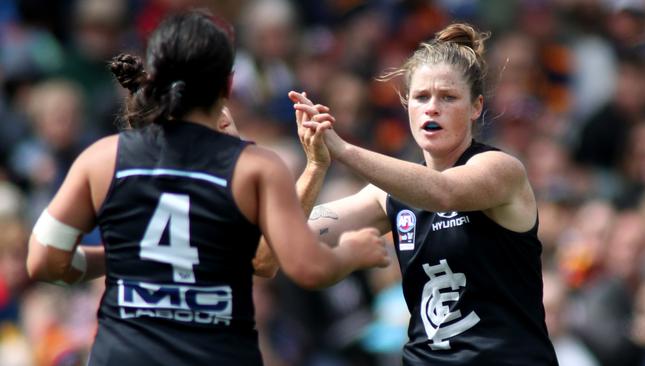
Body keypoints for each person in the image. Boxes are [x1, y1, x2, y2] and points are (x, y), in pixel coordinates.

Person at [25, 10, 390, 366]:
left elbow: (44, 261)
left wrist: (133, 257)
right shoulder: (256, 167)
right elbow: (306, 267)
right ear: (228, 84)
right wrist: (352, 252)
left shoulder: (102, 159)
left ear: (152, 78)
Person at [281, 22, 559, 365]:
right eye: (421, 97)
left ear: (476, 107)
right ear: (406, 104)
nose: (432, 108)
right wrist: (315, 166)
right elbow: (292, 235)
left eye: (448, 97)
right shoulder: (388, 193)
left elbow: (443, 192)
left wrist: (343, 150)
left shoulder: (501, 169)